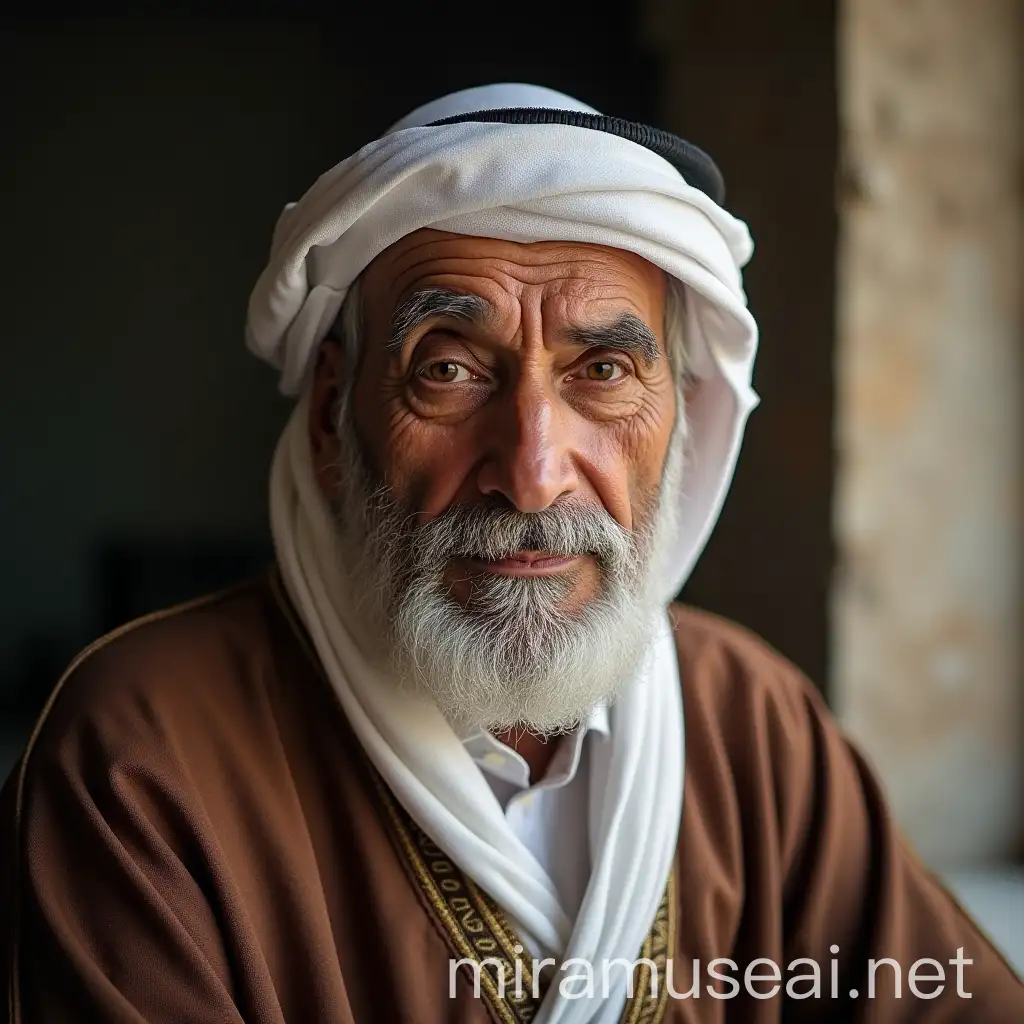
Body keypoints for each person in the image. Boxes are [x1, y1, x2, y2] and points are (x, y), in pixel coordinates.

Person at [1, 84, 1021, 1024]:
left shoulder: (752, 724)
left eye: (604, 369)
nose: (531, 473)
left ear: (685, 423)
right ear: (328, 420)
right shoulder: (140, 758)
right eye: (447, 370)